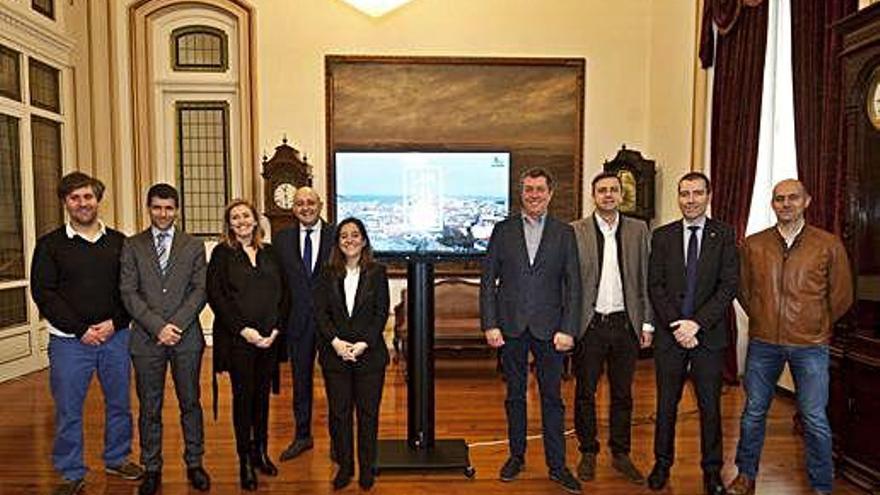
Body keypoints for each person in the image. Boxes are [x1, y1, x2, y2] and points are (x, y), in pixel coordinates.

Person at [727, 179, 853, 495]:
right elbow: (743, 290)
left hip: (810, 345)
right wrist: (761, 317)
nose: (786, 204)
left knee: (813, 418)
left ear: (806, 201)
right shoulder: (754, 245)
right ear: (773, 204)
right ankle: (746, 475)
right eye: (779, 199)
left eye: (792, 198)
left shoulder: (827, 244)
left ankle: (822, 484)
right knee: (754, 413)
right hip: (764, 342)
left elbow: (842, 295)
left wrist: (818, 324)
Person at [30, 172, 144, 495]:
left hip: (115, 337)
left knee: (120, 402)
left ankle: (117, 457)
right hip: (69, 342)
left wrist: (115, 323)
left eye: (88, 197)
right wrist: (81, 330)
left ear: (98, 199)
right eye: (75, 198)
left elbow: (131, 291)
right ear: (65, 203)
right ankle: (71, 472)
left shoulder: (120, 242)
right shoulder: (49, 245)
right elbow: (44, 293)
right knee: (68, 408)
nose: (83, 204)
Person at [480, 167, 582, 494]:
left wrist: (569, 328)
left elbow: (574, 285)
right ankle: (516, 456)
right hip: (510, 327)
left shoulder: (565, 233)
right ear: (520, 194)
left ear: (550, 193)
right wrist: (490, 323)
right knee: (514, 397)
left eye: (540, 189)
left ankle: (558, 465)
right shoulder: (503, 230)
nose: (534, 195)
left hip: (551, 330)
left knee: (553, 399)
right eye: (528, 189)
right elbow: (487, 282)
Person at [646, 172, 738, 494]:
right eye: (684, 194)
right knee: (666, 404)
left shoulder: (724, 234)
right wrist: (677, 325)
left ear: (708, 196)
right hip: (671, 336)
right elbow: (655, 286)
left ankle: (712, 470)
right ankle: (661, 463)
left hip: (708, 337)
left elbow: (728, 286)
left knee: (710, 407)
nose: (690, 200)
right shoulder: (662, 236)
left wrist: (697, 323)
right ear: (678, 197)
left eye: (697, 193)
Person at [119, 183, 210, 495]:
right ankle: (152, 466)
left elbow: (200, 290)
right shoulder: (132, 245)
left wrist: (176, 325)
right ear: (148, 208)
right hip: (146, 340)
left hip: (186, 339)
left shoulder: (193, 245)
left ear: (177, 209)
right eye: (157, 207)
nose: (163, 213)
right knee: (149, 406)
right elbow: (128, 292)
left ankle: (195, 462)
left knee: (190, 402)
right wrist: (158, 327)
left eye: (169, 207)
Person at [569, 171, 653, 485]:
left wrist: (646, 322)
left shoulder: (638, 229)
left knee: (623, 394)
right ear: (594, 195)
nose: (608, 195)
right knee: (585, 393)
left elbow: (645, 279)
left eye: (613, 190)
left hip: (624, 324)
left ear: (621, 195)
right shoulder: (575, 231)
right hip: (589, 325)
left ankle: (621, 453)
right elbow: (569, 283)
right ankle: (588, 451)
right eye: (602, 190)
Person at [207, 199, 288, 491]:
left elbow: (284, 293)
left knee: (263, 398)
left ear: (256, 220)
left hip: (270, 340)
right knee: (244, 399)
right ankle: (243, 459)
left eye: (246, 216)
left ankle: (260, 452)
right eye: (234, 218)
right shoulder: (221, 254)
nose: (241, 221)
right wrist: (244, 330)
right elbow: (216, 296)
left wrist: (276, 329)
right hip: (239, 340)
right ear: (229, 225)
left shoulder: (271, 253)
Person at [314, 217, 390, 491]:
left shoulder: (377, 272)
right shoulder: (326, 273)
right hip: (335, 356)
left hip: (369, 356)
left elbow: (381, 313)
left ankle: (367, 468)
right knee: (339, 414)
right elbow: (320, 312)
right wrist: (335, 342)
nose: (349, 240)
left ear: (364, 240)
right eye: (343, 236)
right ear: (337, 242)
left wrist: (363, 344)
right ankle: (345, 468)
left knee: (368, 415)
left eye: (355, 235)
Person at [276, 187, 335, 462]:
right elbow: (277, 284)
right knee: (300, 383)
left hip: (332, 325)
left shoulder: (337, 236)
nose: (306, 207)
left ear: (320, 205)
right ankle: (302, 436)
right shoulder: (282, 239)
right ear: (293, 209)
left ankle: (340, 440)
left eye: (311, 202)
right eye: (300, 203)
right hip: (297, 323)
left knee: (337, 384)